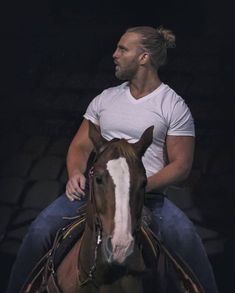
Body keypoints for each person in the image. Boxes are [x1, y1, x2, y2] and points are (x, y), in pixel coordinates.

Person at [6, 25, 218, 293]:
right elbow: (80, 146)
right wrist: (74, 173)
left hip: (147, 197)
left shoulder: (173, 106)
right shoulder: (105, 99)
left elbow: (181, 166)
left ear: (144, 57)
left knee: (187, 239)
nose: (115, 55)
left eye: (123, 49)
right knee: (40, 230)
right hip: (96, 193)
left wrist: (136, 187)